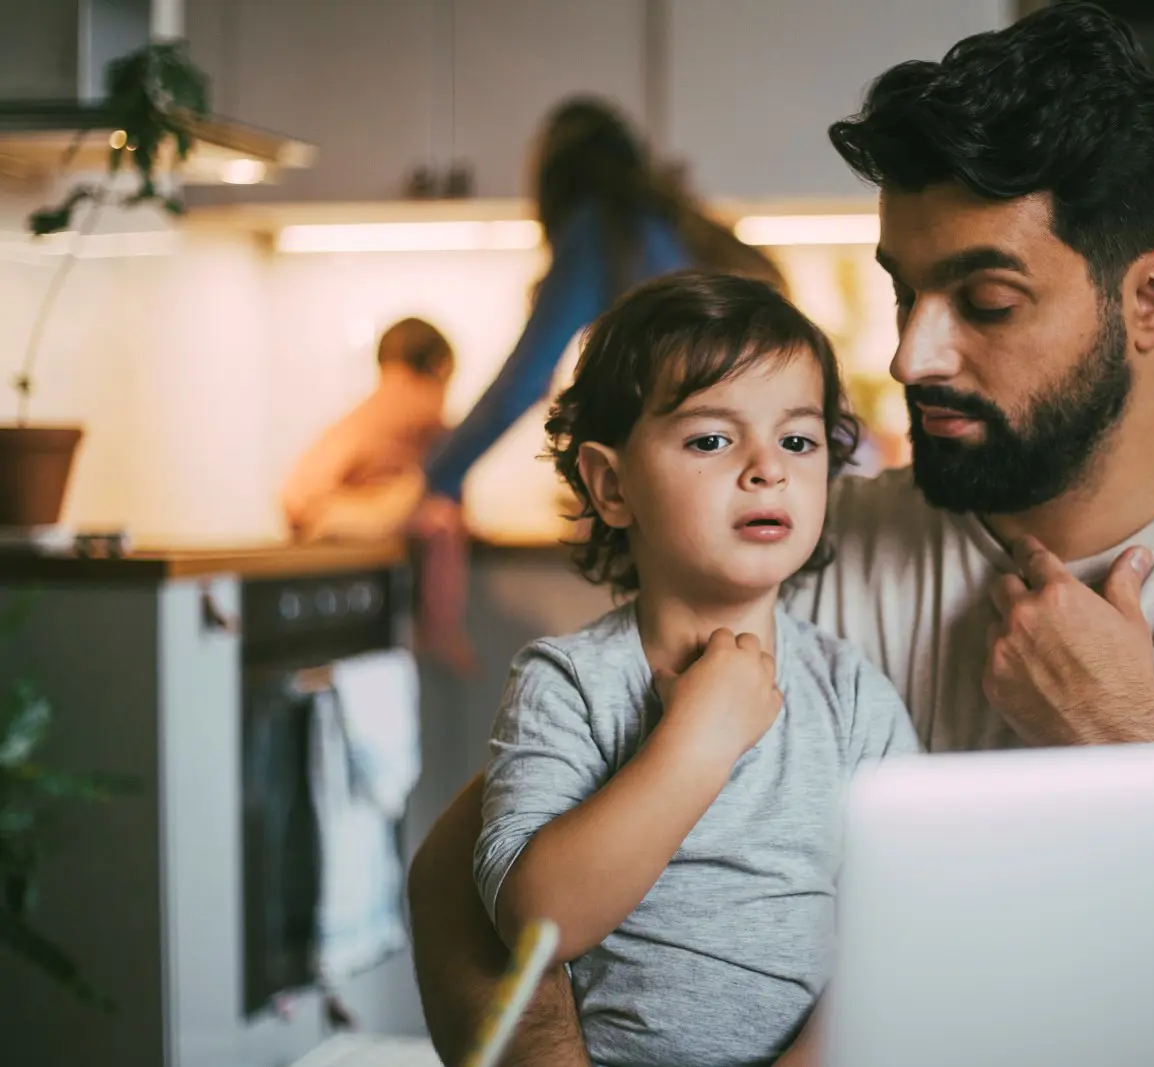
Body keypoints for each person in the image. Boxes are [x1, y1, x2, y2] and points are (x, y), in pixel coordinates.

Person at [407, 5, 1154, 1064]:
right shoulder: (798, 546)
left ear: (1150, 298)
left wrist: (1126, 737)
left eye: (985, 299)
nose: (913, 353)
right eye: (903, 290)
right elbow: (469, 873)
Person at [472, 271, 917, 1067]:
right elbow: (537, 920)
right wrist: (697, 743)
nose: (766, 468)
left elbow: (908, 931)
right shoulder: (565, 683)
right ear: (611, 486)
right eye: (712, 439)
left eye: (798, 440)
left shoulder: (852, 695)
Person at [413, 97, 784, 534]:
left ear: (554, 183)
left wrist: (436, 477)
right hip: (759, 472)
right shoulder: (669, 224)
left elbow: (523, 382)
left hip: (702, 474)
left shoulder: (597, 231)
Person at [279, 317, 473, 670]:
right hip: (329, 513)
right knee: (442, 519)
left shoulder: (369, 406)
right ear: (440, 367)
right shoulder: (421, 401)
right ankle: (441, 628)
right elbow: (452, 473)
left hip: (313, 513)